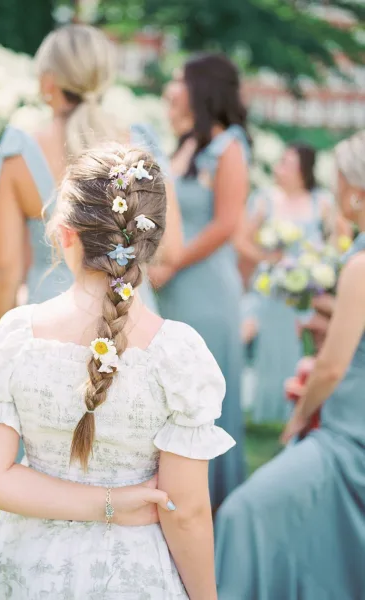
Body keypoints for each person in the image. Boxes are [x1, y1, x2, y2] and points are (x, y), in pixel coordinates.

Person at [0, 144, 235, 599]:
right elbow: (185, 513)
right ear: (151, 240)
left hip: (30, 572)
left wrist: (104, 506)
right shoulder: (177, 356)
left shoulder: (17, 339)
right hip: (131, 576)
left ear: (65, 234)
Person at [215, 130, 365, 600]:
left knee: (242, 512)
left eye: (338, 179)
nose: (333, 188)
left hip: (348, 437)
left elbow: (332, 368)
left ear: (356, 191)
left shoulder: (360, 264)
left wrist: (300, 418)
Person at [0, 24, 181, 321]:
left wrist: (3, 348)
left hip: (51, 321)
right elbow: (171, 249)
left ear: (48, 81)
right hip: (129, 318)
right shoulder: (142, 144)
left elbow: (5, 268)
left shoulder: (19, 155)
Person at [152, 53, 249, 509]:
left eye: (178, 80)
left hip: (206, 290)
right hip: (173, 288)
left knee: (203, 398)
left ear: (201, 88)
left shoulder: (230, 147)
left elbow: (225, 224)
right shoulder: (185, 144)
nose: (172, 88)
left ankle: (209, 504)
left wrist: (172, 264)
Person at [236, 143, 345, 423]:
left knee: (297, 346)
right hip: (270, 289)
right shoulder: (265, 199)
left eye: (287, 163)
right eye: (281, 161)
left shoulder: (321, 202)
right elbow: (241, 241)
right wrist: (267, 258)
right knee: (268, 345)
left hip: (305, 291)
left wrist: (319, 266)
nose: (279, 168)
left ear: (303, 171)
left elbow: (336, 243)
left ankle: (294, 406)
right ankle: (265, 409)